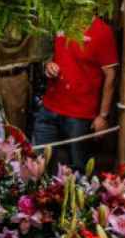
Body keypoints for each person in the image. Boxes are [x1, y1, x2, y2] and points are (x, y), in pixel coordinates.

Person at [33, 16, 119, 174]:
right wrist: (49, 65)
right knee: (40, 165)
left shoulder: (102, 31)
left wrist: (103, 115)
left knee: (79, 171)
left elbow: (111, 76)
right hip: (49, 108)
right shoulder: (61, 21)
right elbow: (50, 55)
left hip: (80, 114)